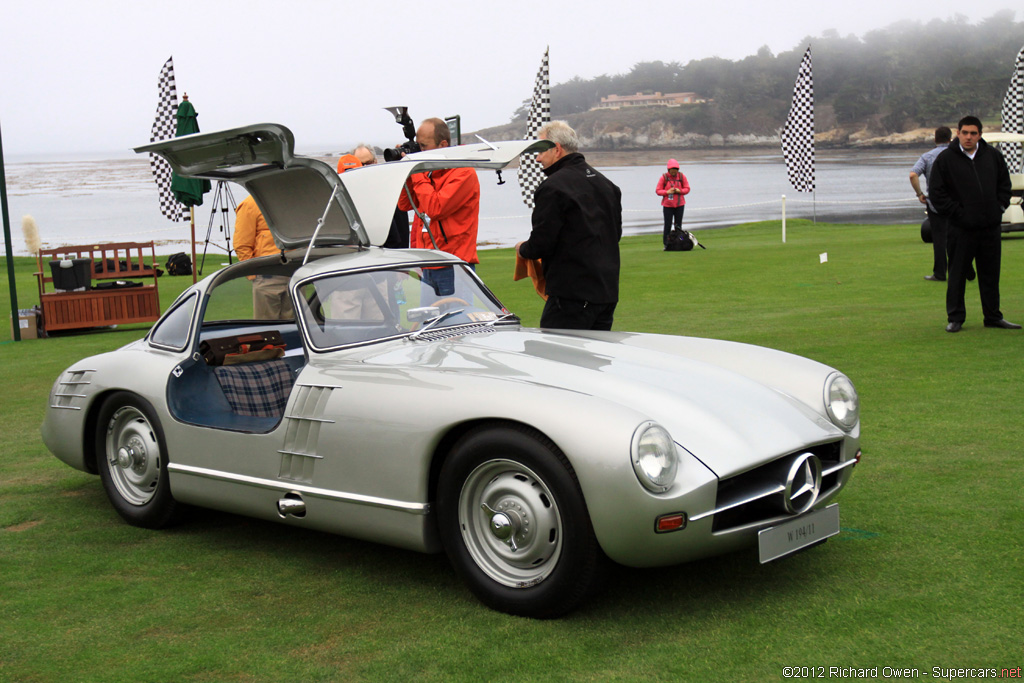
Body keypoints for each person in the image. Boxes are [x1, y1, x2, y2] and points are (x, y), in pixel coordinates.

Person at [515, 121, 622, 330]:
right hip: (607, 291)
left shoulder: (553, 187)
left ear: (557, 149)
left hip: (571, 294)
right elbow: (614, 234)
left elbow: (542, 243)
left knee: (556, 356)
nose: (537, 158)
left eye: (540, 151)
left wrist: (523, 249)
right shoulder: (606, 184)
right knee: (595, 359)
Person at [929, 115, 1018, 332]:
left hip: (990, 227)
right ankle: (956, 317)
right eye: (965, 132)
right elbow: (937, 194)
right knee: (957, 274)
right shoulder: (945, 159)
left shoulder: (993, 156)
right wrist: (959, 214)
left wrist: (998, 208)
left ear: (980, 134)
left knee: (990, 274)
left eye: (973, 133)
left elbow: (1004, 185)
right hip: (961, 229)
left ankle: (993, 316)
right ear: (957, 133)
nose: (969, 137)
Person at [396, 118, 480, 295]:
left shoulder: (463, 172)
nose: (420, 151)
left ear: (443, 145)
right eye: (418, 146)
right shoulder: (427, 172)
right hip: (428, 264)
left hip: (454, 265)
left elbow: (436, 208)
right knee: (429, 320)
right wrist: (406, 171)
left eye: (424, 146)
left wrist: (415, 169)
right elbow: (404, 204)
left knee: (458, 319)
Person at [233, 195, 294, 320]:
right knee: (267, 331)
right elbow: (242, 245)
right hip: (267, 277)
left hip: (294, 275)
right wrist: (253, 274)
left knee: (296, 328)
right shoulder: (250, 204)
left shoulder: (292, 200)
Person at [910, 127, 953, 281]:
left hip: (936, 202)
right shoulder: (958, 155)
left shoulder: (927, 156)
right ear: (950, 138)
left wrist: (919, 193)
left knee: (940, 239)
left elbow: (913, 174)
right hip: (957, 201)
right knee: (959, 237)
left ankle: (940, 273)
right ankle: (965, 269)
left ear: (935, 139)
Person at [350, 143, 410, 249]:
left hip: (394, 256)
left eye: (368, 163)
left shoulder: (391, 188)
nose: (363, 168)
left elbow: (398, 237)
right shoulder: (350, 197)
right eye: (359, 164)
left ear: (375, 162)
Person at [656, 159, 690, 248]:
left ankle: (680, 243)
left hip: (680, 205)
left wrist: (680, 191)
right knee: (667, 225)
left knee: (678, 226)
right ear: (668, 170)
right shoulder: (664, 177)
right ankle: (666, 244)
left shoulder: (682, 177)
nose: (674, 171)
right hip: (668, 205)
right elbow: (658, 191)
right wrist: (667, 192)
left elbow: (687, 189)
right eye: (672, 169)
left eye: (675, 169)